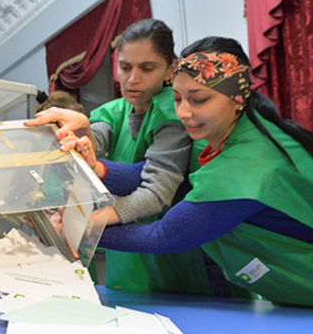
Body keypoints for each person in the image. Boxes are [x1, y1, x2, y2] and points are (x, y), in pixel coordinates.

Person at [95, 36, 313, 307]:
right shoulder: (229, 132)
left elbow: (166, 235)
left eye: (199, 99)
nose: (183, 112)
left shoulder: (247, 163)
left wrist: (84, 231)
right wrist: (96, 167)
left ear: (237, 99)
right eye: (177, 99)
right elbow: (162, 175)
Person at [26, 19, 215, 295]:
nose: (133, 79)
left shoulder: (173, 113)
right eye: (125, 67)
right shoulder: (116, 109)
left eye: (147, 68)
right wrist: (81, 131)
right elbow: (98, 136)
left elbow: (155, 191)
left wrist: (86, 223)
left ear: (170, 69)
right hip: (128, 264)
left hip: (172, 261)